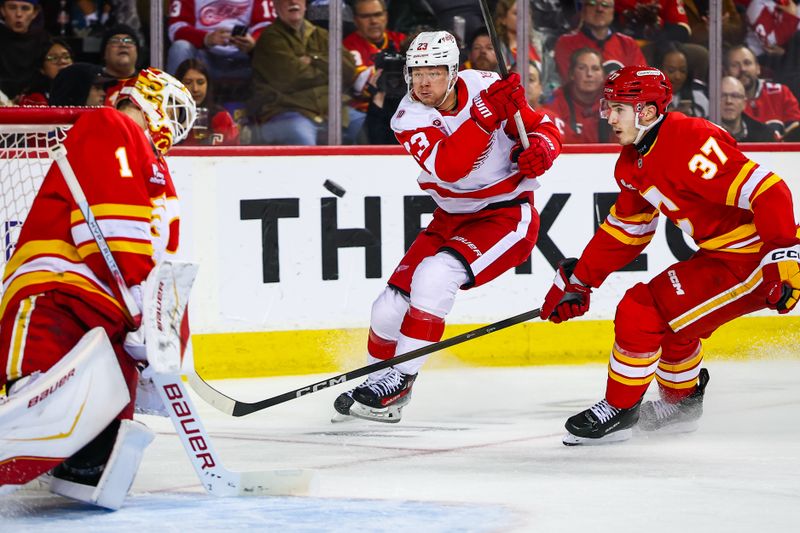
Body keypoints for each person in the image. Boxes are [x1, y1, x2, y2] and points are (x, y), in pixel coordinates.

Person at [539, 66, 800, 445]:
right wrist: (580, 280)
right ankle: (681, 406)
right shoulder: (631, 162)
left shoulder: (688, 140)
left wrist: (782, 258)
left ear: (646, 111)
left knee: (641, 308)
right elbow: (626, 232)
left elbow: (770, 191)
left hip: (757, 259)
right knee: (678, 321)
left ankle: (621, 409)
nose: (610, 118)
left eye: (619, 109)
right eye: (608, 108)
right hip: (722, 255)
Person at [333, 30, 562, 423]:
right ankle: (374, 383)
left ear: (454, 71)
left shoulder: (486, 86)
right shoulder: (408, 115)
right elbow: (451, 167)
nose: (423, 82)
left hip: (506, 215)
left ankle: (400, 381)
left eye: (434, 72)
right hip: (451, 217)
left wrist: (543, 148)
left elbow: (543, 128)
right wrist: (485, 116)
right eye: (417, 72)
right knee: (386, 310)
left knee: (435, 276)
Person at [0, 68, 196, 505]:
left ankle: (81, 458)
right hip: (60, 289)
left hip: (112, 310)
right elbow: (111, 225)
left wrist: (163, 333)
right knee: (41, 389)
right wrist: (144, 309)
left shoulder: (155, 165)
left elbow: (158, 258)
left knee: (102, 452)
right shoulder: (111, 123)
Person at [250, 0, 356, 145]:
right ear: (275, 6)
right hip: (288, 112)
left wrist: (313, 59)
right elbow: (291, 78)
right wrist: (330, 71)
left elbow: (349, 70)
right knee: (301, 138)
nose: (293, 2)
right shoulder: (270, 38)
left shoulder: (322, 34)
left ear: (305, 4)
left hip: (332, 111)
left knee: (362, 124)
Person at [343, 0, 405, 144]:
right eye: (366, 16)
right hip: (363, 111)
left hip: (400, 108)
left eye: (378, 14)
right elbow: (363, 85)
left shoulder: (400, 40)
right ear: (356, 20)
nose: (373, 21)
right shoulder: (347, 46)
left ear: (386, 16)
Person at [166, 0, 275, 81]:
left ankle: (278, 109)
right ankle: (173, 105)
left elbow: (266, 26)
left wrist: (253, 43)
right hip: (204, 58)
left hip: (245, 58)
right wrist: (206, 38)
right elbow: (176, 28)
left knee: (271, 45)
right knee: (180, 47)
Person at [554, 0, 647, 80]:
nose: (599, 9)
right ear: (583, 11)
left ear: (612, 12)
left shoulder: (628, 44)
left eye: (605, 5)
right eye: (592, 3)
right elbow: (570, 85)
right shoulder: (566, 43)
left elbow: (641, 82)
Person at [725, 44, 800, 139]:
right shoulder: (723, 100)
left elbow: (795, 131)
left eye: (747, 63)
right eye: (735, 65)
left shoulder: (781, 93)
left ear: (758, 68)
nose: (742, 69)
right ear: (726, 72)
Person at [543, 48, 610, 143]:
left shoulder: (612, 101)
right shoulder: (557, 102)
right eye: (582, 68)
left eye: (595, 69)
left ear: (603, 75)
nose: (589, 74)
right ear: (571, 74)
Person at [176, 58, 240, 146]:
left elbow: (235, 154)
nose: (195, 89)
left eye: (200, 82)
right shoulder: (169, 119)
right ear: (178, 85)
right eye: (188, 82)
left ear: (208, 85)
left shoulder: (222, 118)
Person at [0, 0, 50, 100]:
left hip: (35, 105)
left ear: (35, 13)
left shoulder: (45, 41)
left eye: (25, 8)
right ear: (2, 10)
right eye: (12, 7)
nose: (18, 14)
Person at [15, 37, 74, 106]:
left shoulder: (85, 90)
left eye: (66, 57)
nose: (62, 61)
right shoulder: (34, 100)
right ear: (41, 69)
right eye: (54, 58)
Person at [656, 41, 708, 118]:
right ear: (659, 70)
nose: (678, 77)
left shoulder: (699, 98)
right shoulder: (646, 100)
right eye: (671, 70)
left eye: (683, 71)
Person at [719, 75, 776, 142]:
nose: (729, 101)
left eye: (735, 96)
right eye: (722, 96)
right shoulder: (704, 132)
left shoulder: (764, 134)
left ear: (744, 103)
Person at [100, 24, 140, 105]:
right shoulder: (93, 85)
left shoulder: (147, 86)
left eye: (129, 41)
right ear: (104, 53)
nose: (123, 45)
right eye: (115, 41)